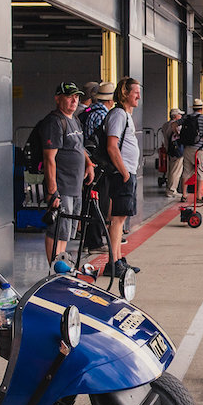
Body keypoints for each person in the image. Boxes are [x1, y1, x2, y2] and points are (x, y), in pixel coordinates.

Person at [40, 82, 94, 263]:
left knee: (67, 231)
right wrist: (53, 191)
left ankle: (61, 266)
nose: (74, 100)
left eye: (77, 97)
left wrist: (88, 164)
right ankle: (55, 269)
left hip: (75, 186)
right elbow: (49, 159)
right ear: (58, 98)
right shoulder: (55, 122)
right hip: (61, 187)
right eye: (69, 96)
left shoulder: (74, 119)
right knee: (57, 230)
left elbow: (79, 147)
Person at [106, 77, 142, 275]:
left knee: (121, 220)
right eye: (135, 92)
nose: (138, 95)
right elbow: (112, 146)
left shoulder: (126, 115)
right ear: (124, 93)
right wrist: (125, 173)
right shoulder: (119, 114)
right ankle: (113, 263)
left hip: (127, 173)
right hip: (122, 175)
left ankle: (118, 259)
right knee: (117, 220)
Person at [80, 82, 114, 250]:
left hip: (87, 162)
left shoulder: (87, 112)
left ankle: (90, 239)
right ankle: (95, 241)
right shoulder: (103, 115)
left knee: (90, 201)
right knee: (99, 203)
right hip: (99, 165)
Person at [181, 98, 203, 203]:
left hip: (187, 149)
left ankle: (184, 195)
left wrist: (179, 136)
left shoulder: (186, 117)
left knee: (186, 172)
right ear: (201, 108)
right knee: (201, 173)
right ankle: (199, 196)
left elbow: (174, 124)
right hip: (199, 150)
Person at [161, 108, 185, 200]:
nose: (181, 116)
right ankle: (172, 190)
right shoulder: (176, 126)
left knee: (171, 171)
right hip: (177, 150)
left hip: (170, 149)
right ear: (175, 116)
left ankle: (169, 189)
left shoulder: (165, 125)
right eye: (179, 115)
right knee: (176, 171)